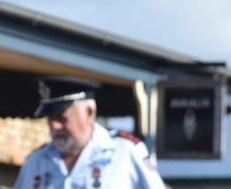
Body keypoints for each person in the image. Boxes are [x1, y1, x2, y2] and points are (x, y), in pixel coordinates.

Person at [14, 77, 166, 188]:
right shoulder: (35, 162)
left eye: (62, 118)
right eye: (50, 118)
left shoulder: (125, 153)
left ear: (89, 112)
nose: (54, 125)